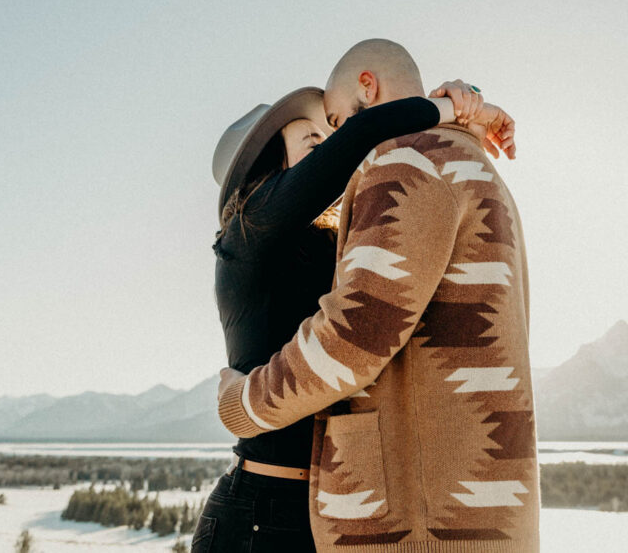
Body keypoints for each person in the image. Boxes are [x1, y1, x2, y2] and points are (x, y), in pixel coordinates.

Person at [217, 39, 538, 552]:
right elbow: (361, 330)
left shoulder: (405, 167)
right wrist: (457, 109)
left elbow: (355, 333)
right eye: (317, 139)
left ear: (368, 86)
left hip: (416, 513)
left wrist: (244, 402)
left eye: (333, 126)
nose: (336, 149)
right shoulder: (251, 233)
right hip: (286, 507)